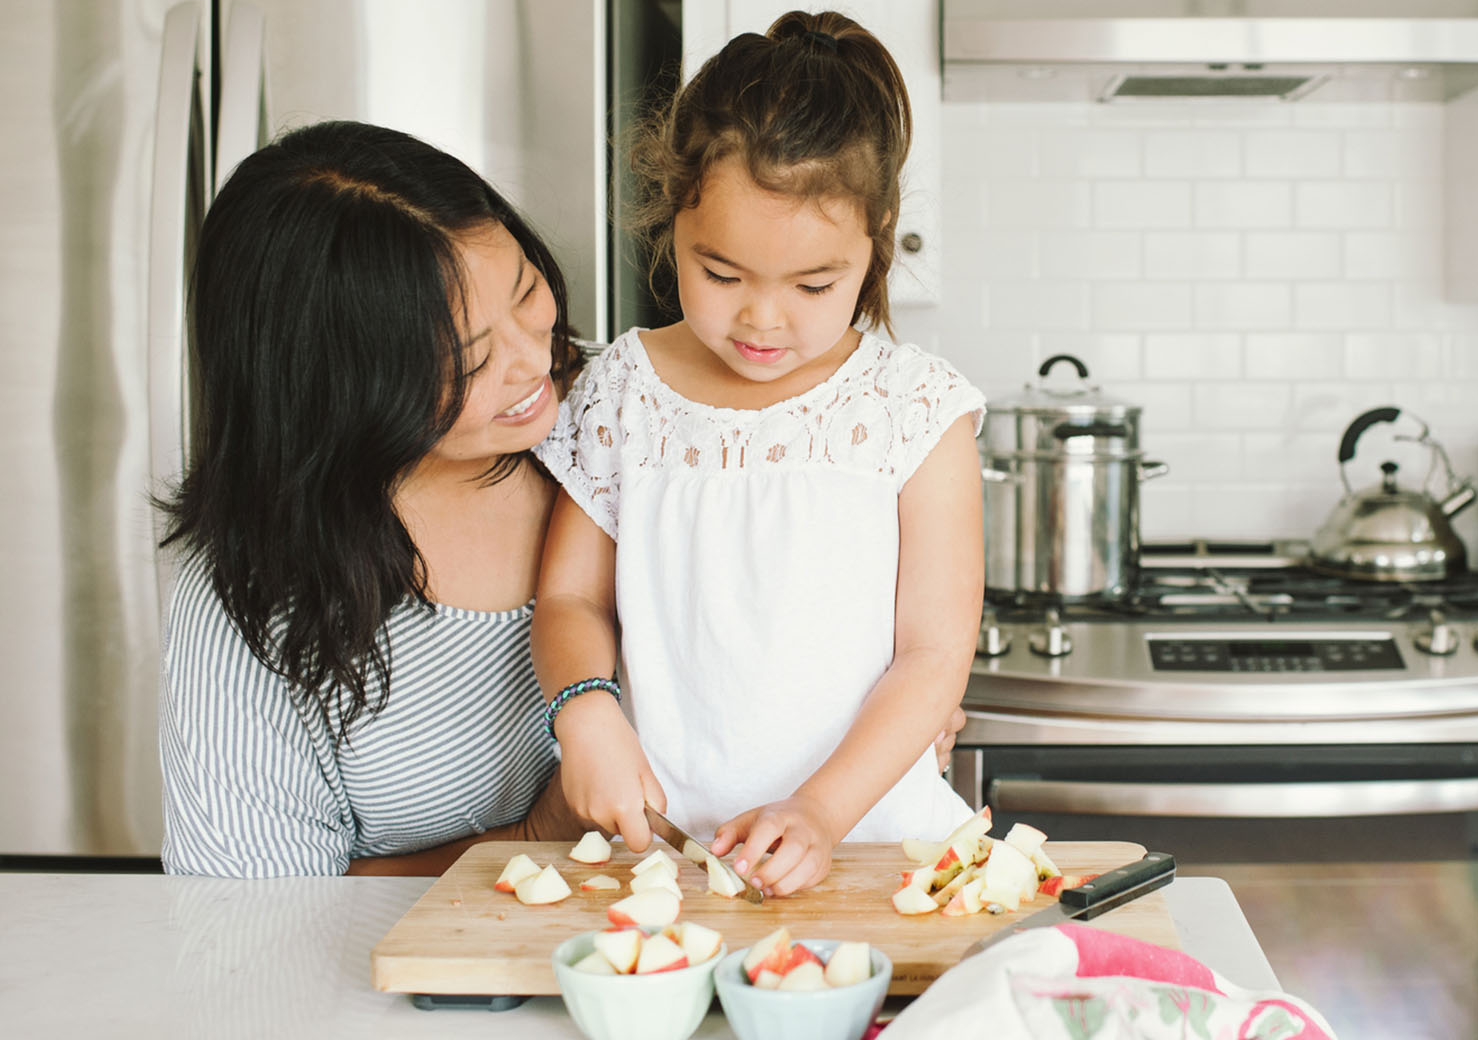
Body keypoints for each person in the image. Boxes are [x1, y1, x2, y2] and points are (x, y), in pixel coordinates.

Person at [156, 119, 967, 878]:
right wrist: (538, 834)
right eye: (469, 358)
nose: (534, 359)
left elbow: (852, 605)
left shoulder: (636, 418)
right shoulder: (248, 605)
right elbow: (251, 925)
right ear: (334, 390)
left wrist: (862, 738)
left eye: (523, 292)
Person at [533, 10, 985, 898]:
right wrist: (583, 709)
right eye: (722, 274)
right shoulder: (625, 387)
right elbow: (569, 596)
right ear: (674, 221)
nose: (762, 320)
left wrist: (818, 811)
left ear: (877, 239)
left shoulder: (917, 408)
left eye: (814, 284)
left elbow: (934, 655)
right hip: (661, 860)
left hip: (872, 852)